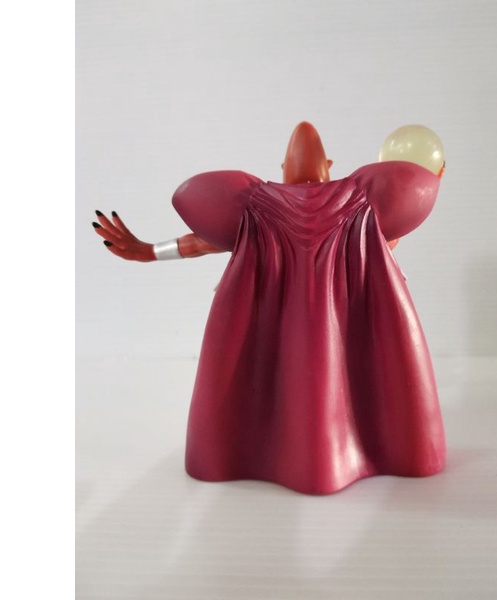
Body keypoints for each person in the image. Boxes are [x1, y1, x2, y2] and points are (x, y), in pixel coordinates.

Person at [93, 121, 446, 495]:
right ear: (328, 165)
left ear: (284, 168)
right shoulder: (359, 201)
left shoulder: (255, 204)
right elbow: (391, 231)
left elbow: (200, 241)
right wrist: (428, 179)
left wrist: (150, 251)